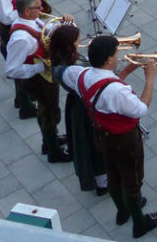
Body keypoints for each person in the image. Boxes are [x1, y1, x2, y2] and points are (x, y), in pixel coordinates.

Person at [78, 35, 157, 237]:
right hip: (124, 141)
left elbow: (103, 91)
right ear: (109, 60)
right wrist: (150, 78)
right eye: (117, 54)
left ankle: (122, 211)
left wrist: (126, 71)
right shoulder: (118, 91)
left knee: (113, 175)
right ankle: (139, 222)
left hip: (102, 136)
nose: (120, 56)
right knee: (132, 180)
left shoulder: (84, 75)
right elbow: (141, 109)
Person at [5, 0, 72, 163]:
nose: (42, 8)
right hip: (38, 80)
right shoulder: (21, 39)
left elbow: (44, 31)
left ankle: (49, 141)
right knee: (48, 113)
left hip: (44, 76)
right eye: (38, 6)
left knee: (51, 110)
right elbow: (11, 70)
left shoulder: (31, 20)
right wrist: (40, 67)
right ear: (27, 11)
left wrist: (61, 26)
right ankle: (53, 152)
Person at [49, 25, 108, 195]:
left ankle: (102, 179)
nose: (81, 43)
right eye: (78, 41)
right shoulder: (71, 70)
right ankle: (103, 183)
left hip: (78, 103)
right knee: (93, 145)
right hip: (85, 107)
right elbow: (95, 82)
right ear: (69, 45)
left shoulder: (62, 59)